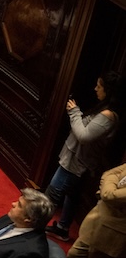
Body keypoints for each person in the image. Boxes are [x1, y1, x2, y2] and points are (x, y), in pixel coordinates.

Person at [44, 72, 121, 242]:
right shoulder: (103, 110)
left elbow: (83, 136)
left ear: (108, 90)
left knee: (52, 194)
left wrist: (74, 112)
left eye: (99, 86)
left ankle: (33, 227)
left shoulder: (108, 116)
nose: (95, 89)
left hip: (76, 163)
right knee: (72, 194)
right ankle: (63, 228)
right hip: (76, 160)